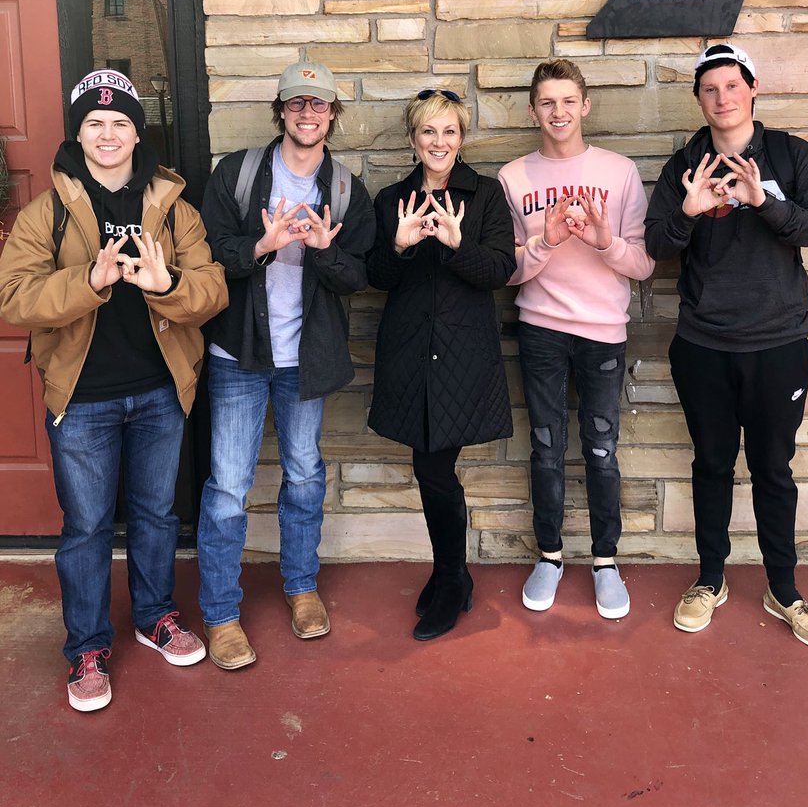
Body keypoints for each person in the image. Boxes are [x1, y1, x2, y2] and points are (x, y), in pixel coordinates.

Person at [0, 69, 227, 713]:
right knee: (88, 526)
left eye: (120, 123)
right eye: (95, 123)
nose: (108, 134)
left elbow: (213, 289)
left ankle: (155, 617)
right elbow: (13, 297)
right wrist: (89, 282)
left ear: (136, 133)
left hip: (159, 390)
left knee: (157, 515)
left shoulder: (173, 208)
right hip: (83, 399)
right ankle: (87, 648)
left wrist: (165, 285)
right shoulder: (46, 213)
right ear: (79, 133)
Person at [644, 42, 808, 649]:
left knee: (772, 469)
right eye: (710, 89)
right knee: (710, 463)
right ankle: (710, 580)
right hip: (704, 344)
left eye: (732, 86)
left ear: (752, 89)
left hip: (779, 343)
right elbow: (656, 245)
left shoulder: (790, 154)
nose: (722, 97)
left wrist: (766, 202)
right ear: (699, 99)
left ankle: (783, 589)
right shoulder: (686, 162)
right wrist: (688, 212)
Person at [197, 61, 374, 670]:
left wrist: (323, 253)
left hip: (307, 359)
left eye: (318, 105)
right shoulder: (237, 174)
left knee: (303, 476)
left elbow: (360, 275)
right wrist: (261, 248)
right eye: (296, 104)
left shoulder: (347, 189)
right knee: (227, 487)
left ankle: (301, 587)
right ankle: (221, 615)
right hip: (238, 358)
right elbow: (209, 253)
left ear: (332, 115)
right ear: (281, 111)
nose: (307, 114)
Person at [498, 59, 654, 619]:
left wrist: (606, 242)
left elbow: (641, 264)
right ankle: (550, 555)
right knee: (544, 447)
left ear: (585, 105)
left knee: (601, 449)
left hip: (603, 334)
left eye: (568, 100)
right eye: (547, 102)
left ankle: (605, 561)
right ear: (533, 109)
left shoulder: (619, 171)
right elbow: (508, 270)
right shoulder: (514, 177)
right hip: (540, 328)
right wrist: (545, 240)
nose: (558, 112)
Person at [367, 90, 515, 641]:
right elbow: (375, 276)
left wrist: (456, 245)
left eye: (449, 132)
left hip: (461, 355)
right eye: (428, 132)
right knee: (428, 467)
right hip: (409, 353)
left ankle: (452, 578)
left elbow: (499, 269)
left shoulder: (486, 195)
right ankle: (451, 572)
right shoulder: (391, 199)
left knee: (434, 469)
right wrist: (401, 246)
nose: (439, 142)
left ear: (461, 137)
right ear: (413, 140)